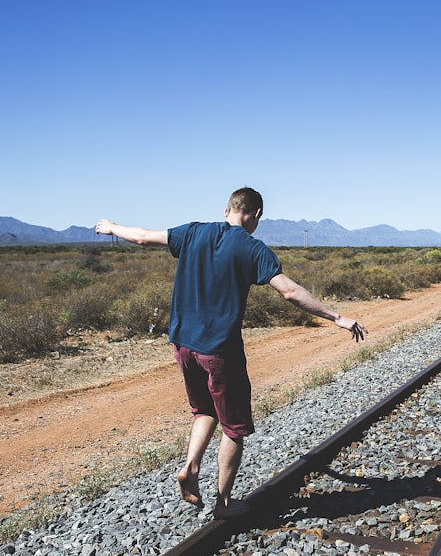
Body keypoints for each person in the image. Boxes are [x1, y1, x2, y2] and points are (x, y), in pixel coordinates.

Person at [95, 187, 367, 519]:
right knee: (234, 428)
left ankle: (191, 468)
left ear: (227, 210)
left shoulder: (194, 232)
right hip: (220, 351)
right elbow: (291, 292)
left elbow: (140, 237)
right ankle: (224, 503)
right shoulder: (254, 249)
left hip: (183, 345)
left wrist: (111, 226)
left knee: (203, 411)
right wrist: (337, 317)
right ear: (256, 215)